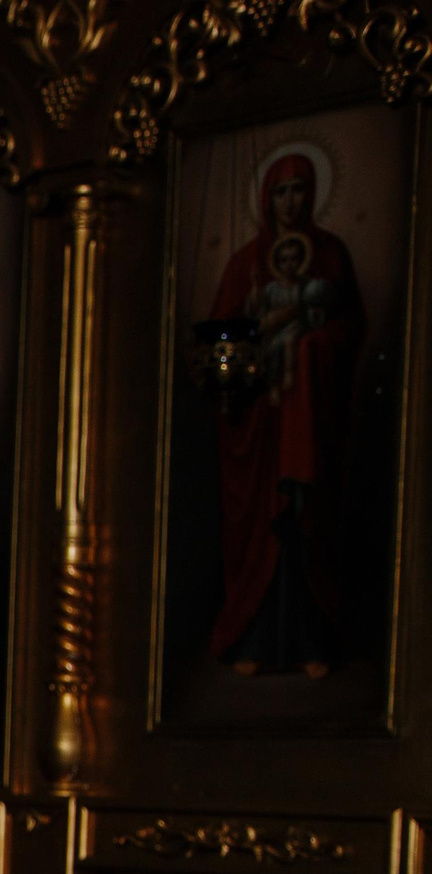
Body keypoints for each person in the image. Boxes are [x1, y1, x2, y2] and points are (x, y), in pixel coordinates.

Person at [207, 150, 359, 679]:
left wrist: (312, 348)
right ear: (266, 199)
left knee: (302, 524)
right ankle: (253, 637)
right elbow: (221, 342)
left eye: (298, 189)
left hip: (308, 421)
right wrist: (250, 350)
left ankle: (311, 641)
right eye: (280, 191)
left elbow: (349, 333)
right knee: (258, 532)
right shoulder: (244, 265)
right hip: (259, 424)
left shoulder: (332, 255)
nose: (290, 200)